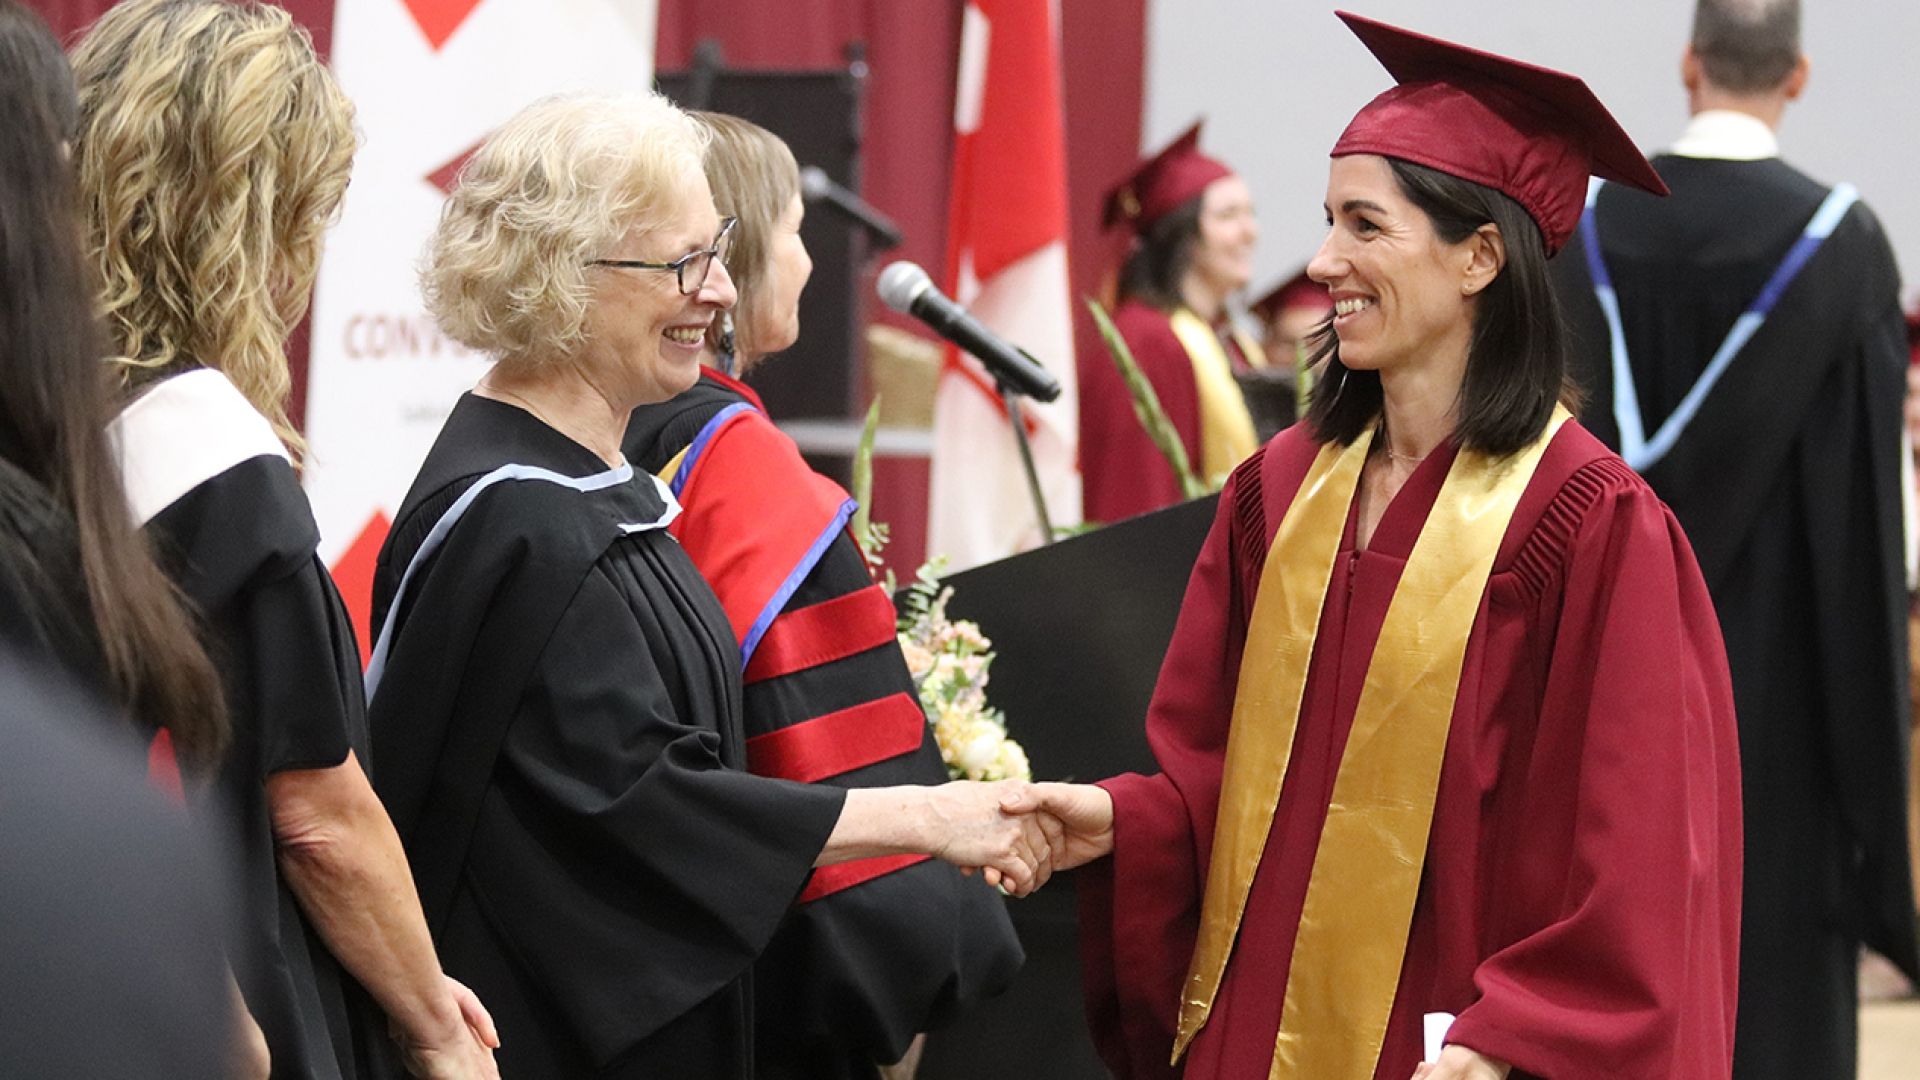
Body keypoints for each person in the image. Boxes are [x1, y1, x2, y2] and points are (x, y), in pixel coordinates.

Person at [1014, 12, 1743, 1080]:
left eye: (1365, 225)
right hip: (1254, 1034)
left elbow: (1638, 858)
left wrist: (1517, 1035)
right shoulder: (1280, 495)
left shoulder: (1586, 525)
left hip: (1448, 1049)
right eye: (1329, 221)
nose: (1323, 261)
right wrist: (1126, 820)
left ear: (1479, 256)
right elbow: (1227, 779)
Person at [371, 90, 1054, 1079]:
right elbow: (646, 805)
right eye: (684, 262)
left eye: (722, 249)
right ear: (559, 275)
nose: (723, 291)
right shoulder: (522, 521)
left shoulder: (595, 486)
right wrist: (927, 818)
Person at [70, 3, 500, 1078]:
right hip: (210, 986)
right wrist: (434, 1023)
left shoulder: (51, 413)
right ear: (252, 213)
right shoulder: (205, 456)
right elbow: (315, 814)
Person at [1550, 3, 1920, 1075]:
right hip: (1781, 715)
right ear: (1797, 76)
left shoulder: (1582, 235)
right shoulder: (1846, 250)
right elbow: (1865, 538)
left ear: (1687, 63)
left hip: (1600, 687)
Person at [622, 112, 1023, 1079]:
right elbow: (830, 756)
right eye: (796, 231)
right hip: (755, 997)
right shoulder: (746, 470)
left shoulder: (598, 433)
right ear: (732, 257)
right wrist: (917, 967)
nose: (807, 262)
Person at [1079, 122, 1264, 522]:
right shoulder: (1147, 342)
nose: (1251, 232)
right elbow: (1138, 503)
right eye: (1228, 215)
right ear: (1181, 233)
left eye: (1251, 213)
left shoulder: (1227, 341)